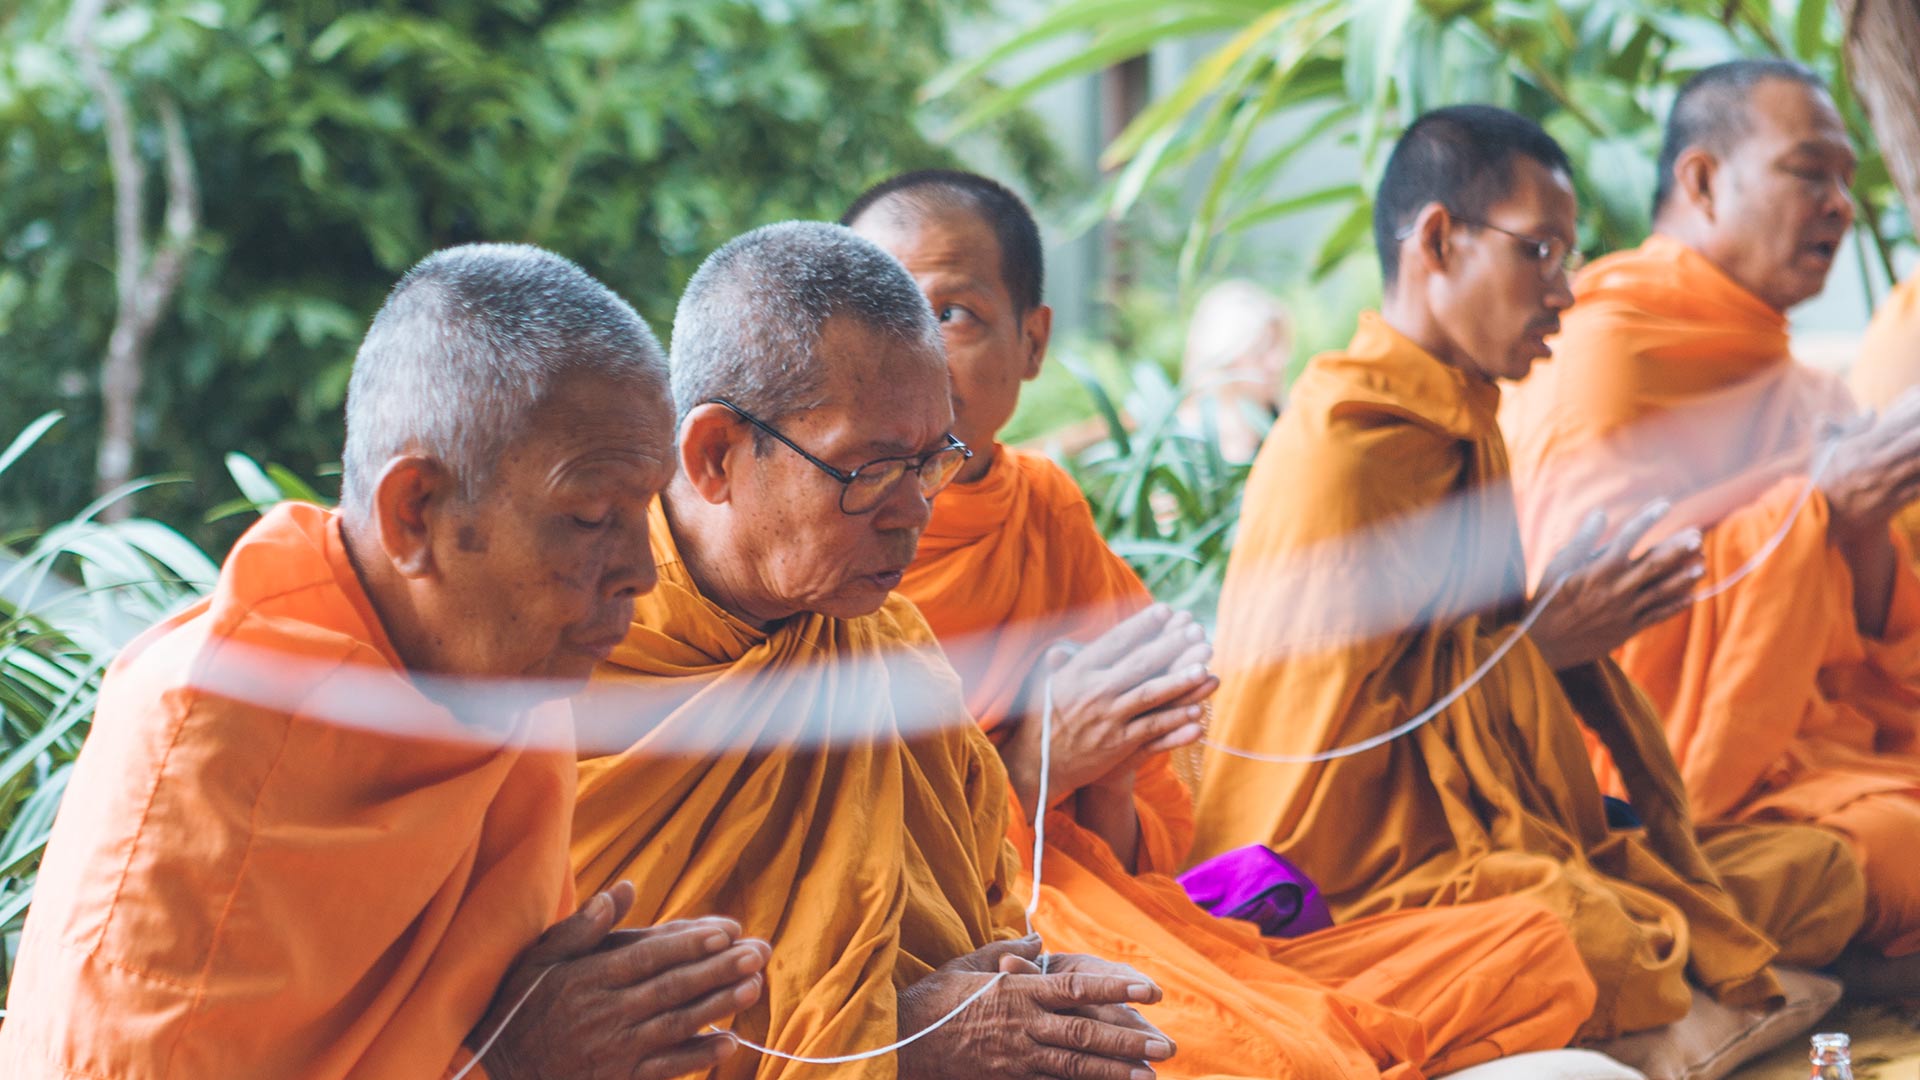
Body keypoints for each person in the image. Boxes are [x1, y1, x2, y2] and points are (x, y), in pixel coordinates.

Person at [843, 168, 1599, 1077]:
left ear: (1033, 342)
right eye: (882, 316)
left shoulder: (1043, 510)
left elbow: (1152, 842)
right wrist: (1029, 771)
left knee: (1537, 947)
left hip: (1119, 915)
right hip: (992, 950)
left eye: (953, 314)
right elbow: (860, 871)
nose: (914, 353)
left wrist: (1107, 776)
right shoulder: (824, 539)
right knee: (1259, 1053)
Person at [0, 245, 771, 1079]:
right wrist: (510, 1065)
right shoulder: (220, 737)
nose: (639, 571)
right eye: (589, 518)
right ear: (415, 513)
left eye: (642, 511)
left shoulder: (498, 685)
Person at [1194, 106, 1867, 1039]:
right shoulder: (1347, 449)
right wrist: (1540, 646)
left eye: (1568, 259)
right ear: (1438, 241)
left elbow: (1462, 667)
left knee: (1820, 869)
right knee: (1581, 947)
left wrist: (1553, 633)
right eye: (1540, 253)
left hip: (1514, 844)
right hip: (1362, 878)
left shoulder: (1462, 419)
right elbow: (1317, 775)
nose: (1564, 293)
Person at [568, 221, 1177, 1080]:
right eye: (870, 470)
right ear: (714, 454)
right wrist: (903, 1041)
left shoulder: (884, 646)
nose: (913, 513)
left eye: (933, 463)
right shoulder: (569, 651)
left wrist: (1034, 995)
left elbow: (984, 920)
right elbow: (538, 1036)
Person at [1500, 59, 1920, 975]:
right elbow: (1594, 621)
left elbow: (1880, 658)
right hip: (1663, 772)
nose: (1841, 205)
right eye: (1810, 171)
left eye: (1848, 180)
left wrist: (1851, 526)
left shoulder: (1805, 386)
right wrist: (1818, 506)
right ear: (1700, 180)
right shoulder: (1607, 348)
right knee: (1897, 848)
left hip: (1815, 757)